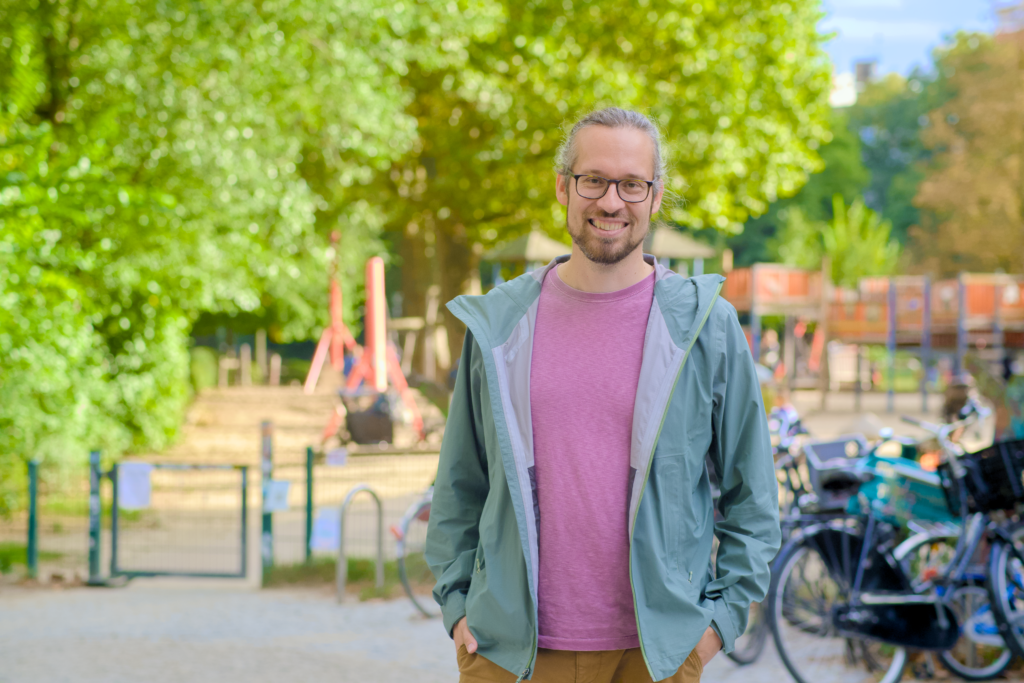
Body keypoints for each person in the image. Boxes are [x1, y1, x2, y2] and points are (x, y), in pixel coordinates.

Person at [426, 107, 780, 683]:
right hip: (508, 653)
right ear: (562, 187)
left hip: (655, 657)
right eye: (593, 180)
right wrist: (458, 604)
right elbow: (459, 485)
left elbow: (753, 499)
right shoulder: (499, 325)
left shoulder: (707, 327)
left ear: (655, 196)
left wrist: (718, 624)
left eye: (632, 184)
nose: (611, 201)